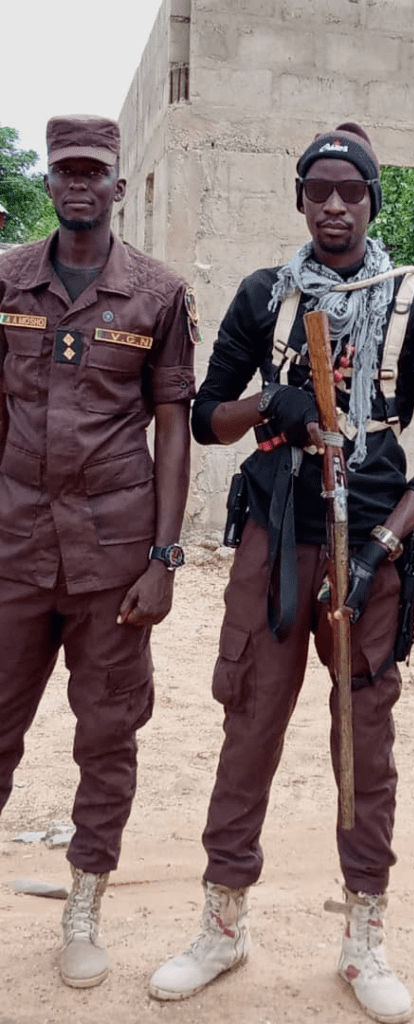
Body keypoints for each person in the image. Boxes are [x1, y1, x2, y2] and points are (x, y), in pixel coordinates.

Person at [149, 122, 414, 1023]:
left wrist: (382, 547)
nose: (335, 206)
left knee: (363, 737)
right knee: (250, 720)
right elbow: (208, 415)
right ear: (300, 200)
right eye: (319, 191)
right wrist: (268, 405)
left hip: (370, 545)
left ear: (373, 201)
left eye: (352, 192)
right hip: (276, 531)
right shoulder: (267, 297)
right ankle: (223, 925)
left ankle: (364, 940)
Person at [0, 115, 196, 988]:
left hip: (114, 560)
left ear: (119, 187)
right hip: (13, 548)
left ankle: (84, 906)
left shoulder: (158, 293)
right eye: (66, 171)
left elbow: (174, 421)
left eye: (96, 173)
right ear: (49, 183)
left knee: (108, 735)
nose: (80, 184)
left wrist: (164, 557)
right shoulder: (5, 279)